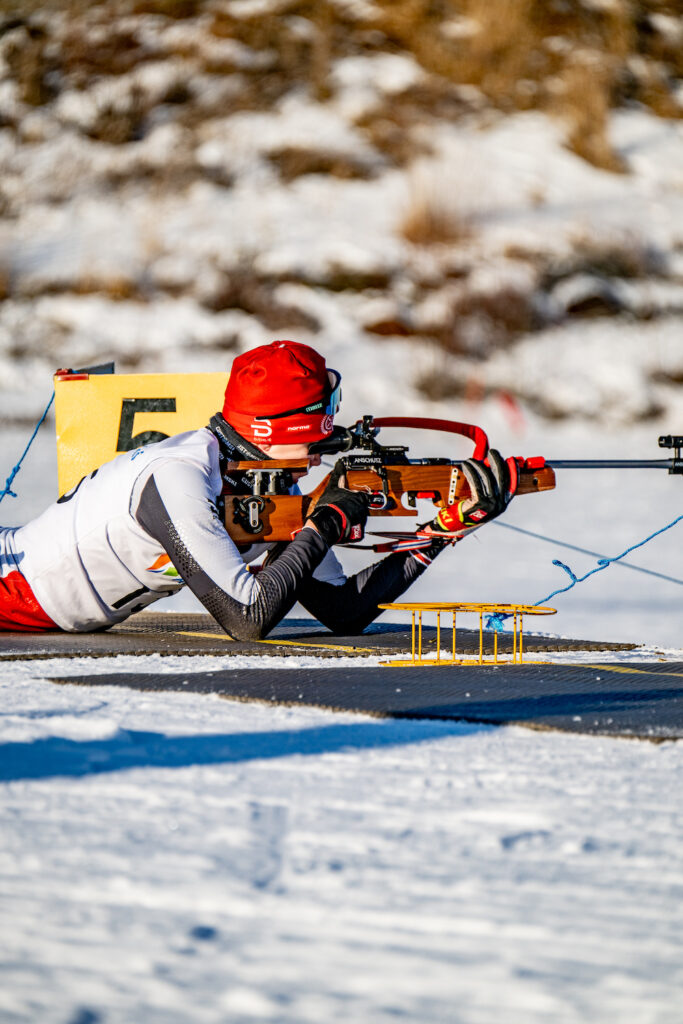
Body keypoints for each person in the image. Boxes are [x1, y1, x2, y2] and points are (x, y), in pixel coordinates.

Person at [0, 340, 516, 639]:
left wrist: (445, 529)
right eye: (323, 414)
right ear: (283, 430)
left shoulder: (267, 483)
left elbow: (343, 610)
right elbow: (247, 618)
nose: (331, 430)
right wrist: (325, 524)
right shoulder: (178, 476)